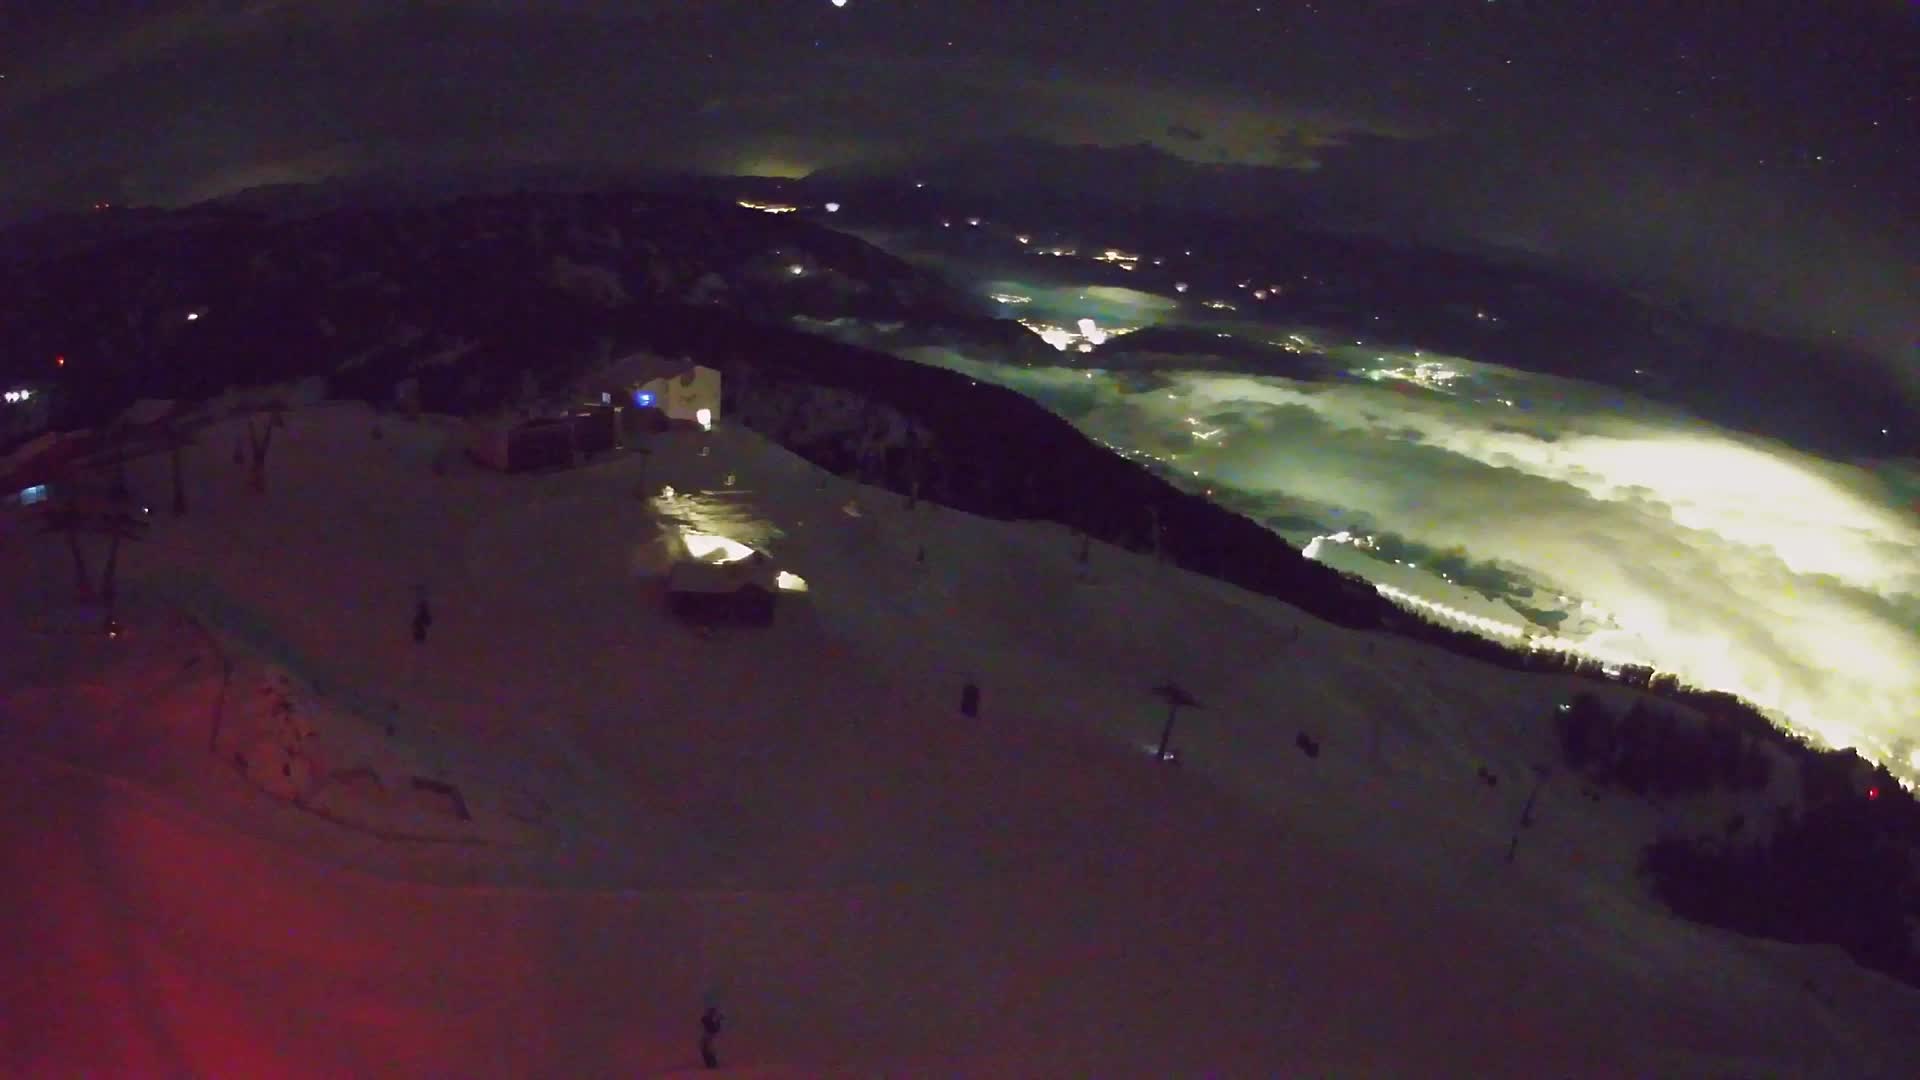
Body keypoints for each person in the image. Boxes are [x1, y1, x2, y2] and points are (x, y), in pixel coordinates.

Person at [699, 1004, 724, 1069]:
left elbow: (715, 1029)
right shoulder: (708, 1019)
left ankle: (712, 1063)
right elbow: (704, 1020)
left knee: (708, 1049)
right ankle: (711, 1063)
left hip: (709, 1036)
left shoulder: (711, 1021)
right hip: (708, 1035)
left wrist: (718, 1020)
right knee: (706, 1049)